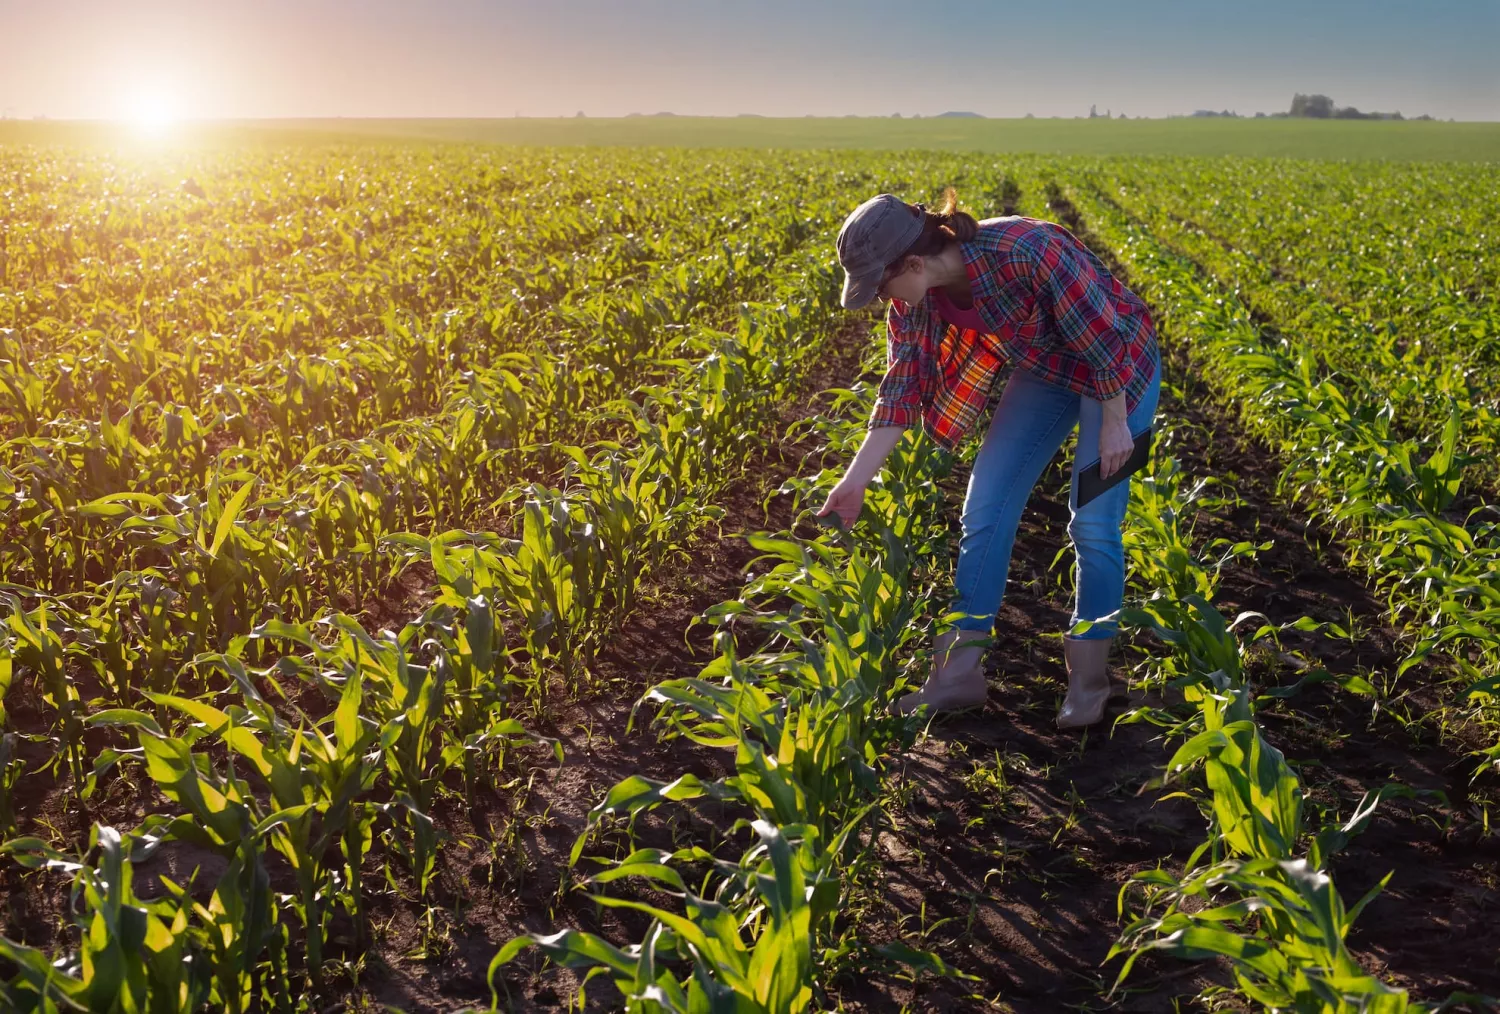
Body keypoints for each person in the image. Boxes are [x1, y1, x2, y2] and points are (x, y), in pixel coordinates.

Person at [816, 188, 1161, 729]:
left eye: (882, 285)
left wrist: (1115, 424)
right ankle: (957, 676)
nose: (884, 298)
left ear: (912, 262)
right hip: (1046, 371)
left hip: (1119, 368)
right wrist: (854, 480)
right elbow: (902, 390)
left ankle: (1091, 682)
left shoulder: (1026, 249)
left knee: (1093, 522)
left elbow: (1102, 338)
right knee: (985, 507)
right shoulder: (916, 303)